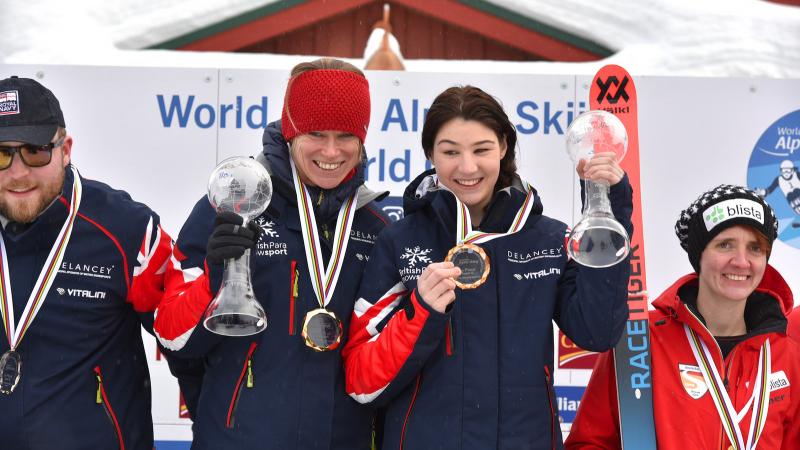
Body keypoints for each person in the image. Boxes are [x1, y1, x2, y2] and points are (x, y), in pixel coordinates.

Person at [342, 85, 633, 449]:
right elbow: (360, 381)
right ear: (431, 154)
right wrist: (421, 313)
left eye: (481, 150)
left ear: (504, 147)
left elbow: (598, 331)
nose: (467, 167)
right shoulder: (401, 241)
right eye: (450, 152)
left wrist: (609, 214)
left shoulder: (547, 239)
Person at [154, 58, 389, 449]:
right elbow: (173, 338)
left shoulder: (374, 227)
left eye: (346, 135)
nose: (331, 151)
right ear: (291, 131)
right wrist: (214, 278)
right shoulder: (231, 208)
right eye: (316, 132)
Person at [0, 76, 173, 449]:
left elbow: (187, 346)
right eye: (1, 155)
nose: (17, 172)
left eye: (34, 151)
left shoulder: (125, 229)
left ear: (66, 149)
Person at [566, 184, 800, 449]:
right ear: (699, 255)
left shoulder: (786, 354)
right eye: (725, 245)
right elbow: (588, 443)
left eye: (755, 248)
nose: (742, 261)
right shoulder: (640, 341)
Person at [755, 159, 800, 228]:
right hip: (792, 200)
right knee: (794, 201)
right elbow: (770, 189)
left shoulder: (797, 175)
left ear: (792, 170)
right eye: (784, 171)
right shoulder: (779, 180)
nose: (786, 173)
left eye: (788, 171)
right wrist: (762, 192)